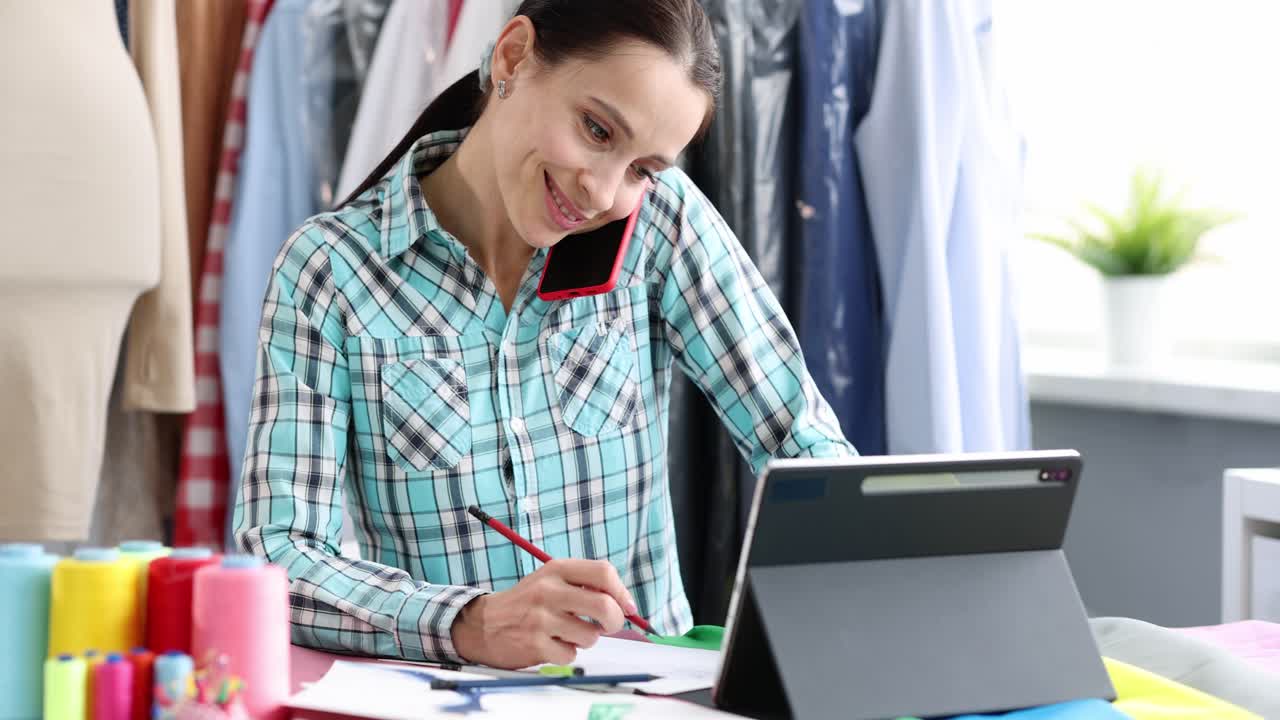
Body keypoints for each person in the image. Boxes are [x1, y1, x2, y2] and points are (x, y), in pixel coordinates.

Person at [234, 0, 855, 670]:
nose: (603, 192)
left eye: (643, 168)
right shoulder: (330, 272)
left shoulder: (657, 225)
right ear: (512, 57)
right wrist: (472, 623)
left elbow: (804, 448)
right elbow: (281, 557)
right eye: (596, 130)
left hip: (645, 703)